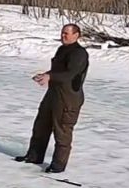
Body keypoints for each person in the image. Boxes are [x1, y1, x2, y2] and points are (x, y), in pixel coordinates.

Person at [15, 23, 89, 173]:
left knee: (62, 131)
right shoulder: (62, 49)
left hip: (68, 98)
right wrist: (46, 75)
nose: (63, 36)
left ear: (76, 35)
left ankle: (58, 166)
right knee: (41, 126)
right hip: (53, 94)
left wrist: (50, 76)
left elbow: (70, 74)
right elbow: (58, 70)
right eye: (62, 33)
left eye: (66, 33)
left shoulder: (79, 53)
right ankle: (34, 156)